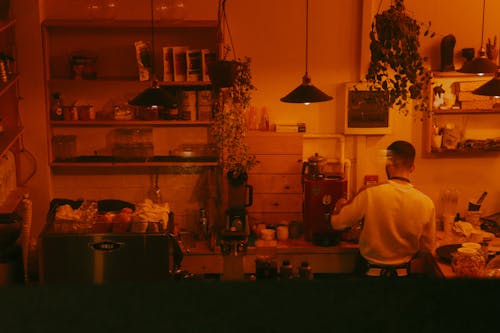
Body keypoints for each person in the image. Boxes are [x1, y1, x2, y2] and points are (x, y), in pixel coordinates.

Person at [330, 140, 436, 277]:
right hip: (403, 277)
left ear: (388, 163)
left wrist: (341, 204)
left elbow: (337, 223)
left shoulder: (370, 193)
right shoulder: (426, 203)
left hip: (369, 276)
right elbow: (427, 249)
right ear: (412, 167)